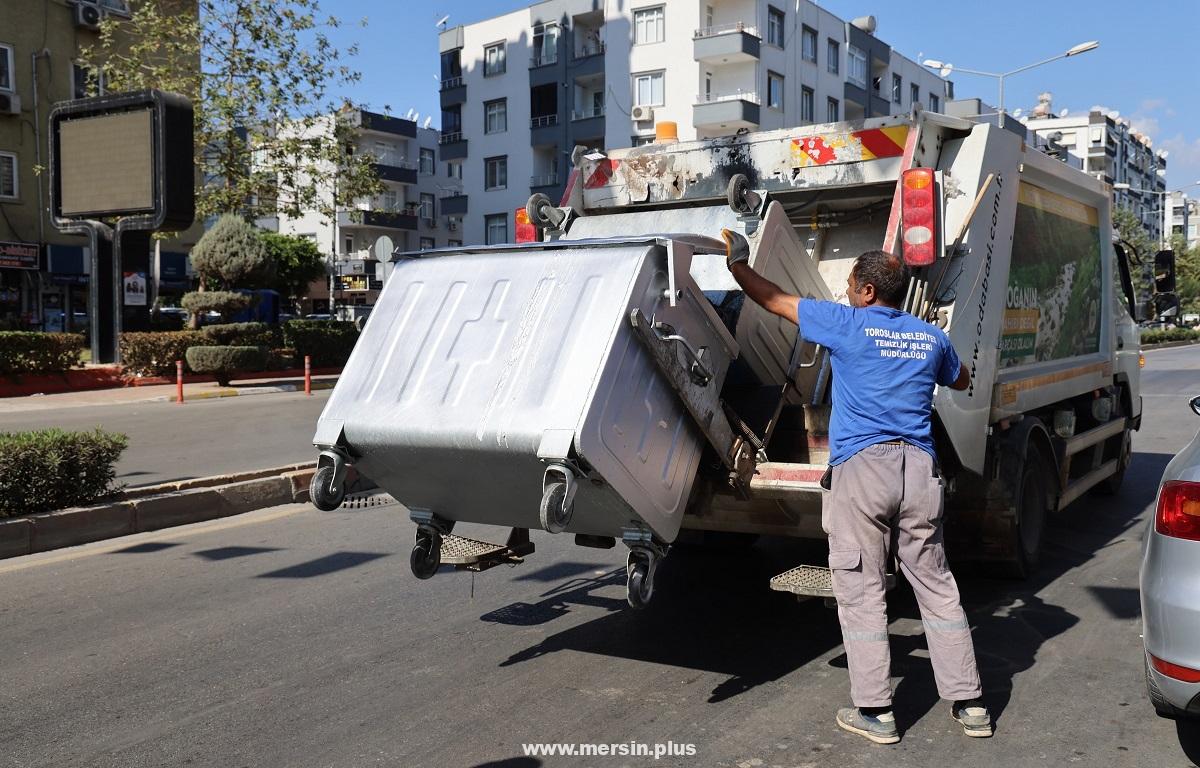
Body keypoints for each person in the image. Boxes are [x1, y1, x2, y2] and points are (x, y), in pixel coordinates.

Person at [722, 230, 992, 744]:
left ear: (868, 292)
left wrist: (737, 263)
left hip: (864, 472)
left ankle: (876, 712)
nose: (845, 291)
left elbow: (773, 298)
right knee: (937, 587)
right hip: (919, 472)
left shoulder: (846, 323)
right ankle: (971, 704)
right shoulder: (929, 337)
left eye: (850, 284)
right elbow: (961, 379)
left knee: (863, 590)